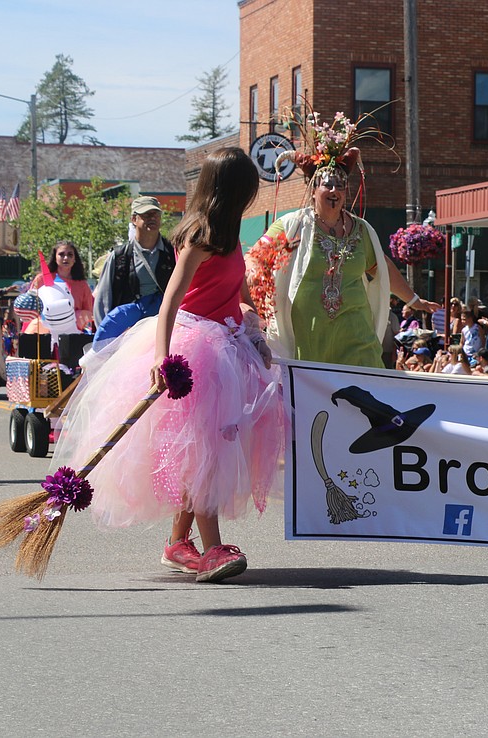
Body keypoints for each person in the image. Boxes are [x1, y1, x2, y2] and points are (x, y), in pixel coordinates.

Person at [48, 147, 284, 583]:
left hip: (228, 346)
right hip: (197, 350)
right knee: (207, 449)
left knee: (205, 447)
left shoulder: (231, 235)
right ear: (232, 189)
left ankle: (178, 543)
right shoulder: (200, 236)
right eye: (249, 185)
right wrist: (161, 355)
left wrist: (253, 328)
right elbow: (173, 298)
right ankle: (212, 549)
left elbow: (240, 294)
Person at [246, 113, 440, 368]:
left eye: (341, 185)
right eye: (327, 185)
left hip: (356, 340)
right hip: (309, 342)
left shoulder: (361, 231)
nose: (335, 191)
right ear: (313, 188)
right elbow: (254, 259)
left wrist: (414, 300)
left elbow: (381, 268)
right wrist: (256, 288)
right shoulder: (293, 226)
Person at [92, 196, 177, 340]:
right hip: (129, 335)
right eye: (146, 215)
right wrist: (108, 341)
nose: (152, 218)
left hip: (166, 332)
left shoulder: (173, 253)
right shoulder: (118, 257)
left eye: (156, 214)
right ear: (134, 219)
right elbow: (103, 302)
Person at [27, 241, 95, 334]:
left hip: (71, 334)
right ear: (55, 258)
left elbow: (88, 312)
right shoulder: (41, 279)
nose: (66, 258)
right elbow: (30, 306)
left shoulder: (82, 285)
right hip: (42, 333)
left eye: (70, 255)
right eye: (61, 254)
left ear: (75, 259)